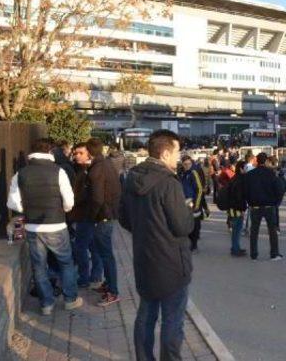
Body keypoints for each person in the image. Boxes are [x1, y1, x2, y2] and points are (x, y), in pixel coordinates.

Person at [120, 130, 194, 361]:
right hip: (172, 263)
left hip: (144, 259)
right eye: (176, 152)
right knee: (172, 321)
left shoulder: (131, 177)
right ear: (164, 154)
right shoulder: (168, 183)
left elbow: (123, 218)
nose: (178, 157)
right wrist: (188, 210)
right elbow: (183, 226)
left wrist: (146, 231)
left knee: (146, 316)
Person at [7, 138, 82, 315]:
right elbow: (69, 201)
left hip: (33, 227)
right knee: (66, 262)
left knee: (39, 266)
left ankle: (46, 304)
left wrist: (27, 209)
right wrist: (62, 210)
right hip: (56, 224)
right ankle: (70, 299)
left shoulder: (21, 174)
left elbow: (13, 203)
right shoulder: (59, 171)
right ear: (50, 152)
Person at [86, 137, 122, 306]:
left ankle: (113, 291)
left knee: (106, 255)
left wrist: (91, 217)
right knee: (104, 254)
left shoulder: (97, 169)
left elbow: (97, 198)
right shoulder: (106, 164)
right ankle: (109, 284)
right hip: (109, 214)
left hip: (103, 217)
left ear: (88, 151)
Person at [68, 142, 104, 289]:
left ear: (89, 154)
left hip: (87, 215)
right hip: (84, 215)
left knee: (81, 247)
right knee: (92, 247)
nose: (77, 156)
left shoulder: (90, 171)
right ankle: (94, 277)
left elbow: (90, 196)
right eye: (75, 153)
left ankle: (85, 278)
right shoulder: (80, 169)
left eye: (80, 153)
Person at [243, 152, 285, 260]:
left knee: (254, 231)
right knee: (272, 231)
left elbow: (245, 191)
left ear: (256, 161)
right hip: (269, 206)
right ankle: (274, 253)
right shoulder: (271, 174)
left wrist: (250, 201)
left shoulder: (250, 175)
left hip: (255, 206)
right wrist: (276, 202)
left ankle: (254, 254)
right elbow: (279, 189)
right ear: (266, 161)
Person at [180, 156, 209, 252]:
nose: (187, 166)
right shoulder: (182, 173)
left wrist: (196, 205)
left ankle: (194, 245)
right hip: (184, 203)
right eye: (185, 164)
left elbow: (199, 189)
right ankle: (189, 243)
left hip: (193, 203)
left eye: (189, 164)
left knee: (195, 225)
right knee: (187, 224)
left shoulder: (193, 173)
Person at [228, 160, 248, 256]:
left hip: (232, 208)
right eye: (245, 168)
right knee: (237, 230)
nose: (247, 169)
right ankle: (235, 250)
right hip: (237, 209)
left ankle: (235, 247)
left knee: (235, 230)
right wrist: (243, 209)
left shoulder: (234, 178)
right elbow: (240, 197)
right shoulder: (240, 180)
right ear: (241, 169)